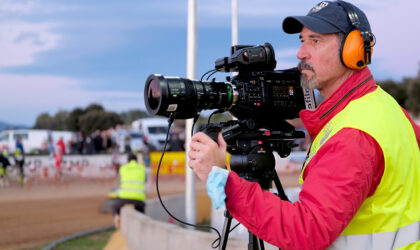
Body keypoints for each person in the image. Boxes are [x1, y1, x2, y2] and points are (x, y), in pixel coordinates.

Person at [188, 1, 420, 249]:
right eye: (302, 41)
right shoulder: (389, 109)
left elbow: (306, 231)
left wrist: (220, 180)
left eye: (315, 41)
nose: (301, 53)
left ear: (353, 49)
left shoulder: (353, 134)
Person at [112, 153, 146, 229]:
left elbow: (119, 182)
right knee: (141, 211)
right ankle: (141, 226)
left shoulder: (123, 168)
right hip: (139, 198)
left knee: (115, 207)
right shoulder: (142, 168)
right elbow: (144, 180)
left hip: (124, 197)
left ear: (127, 161)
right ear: (136, 161)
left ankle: (117, 216)